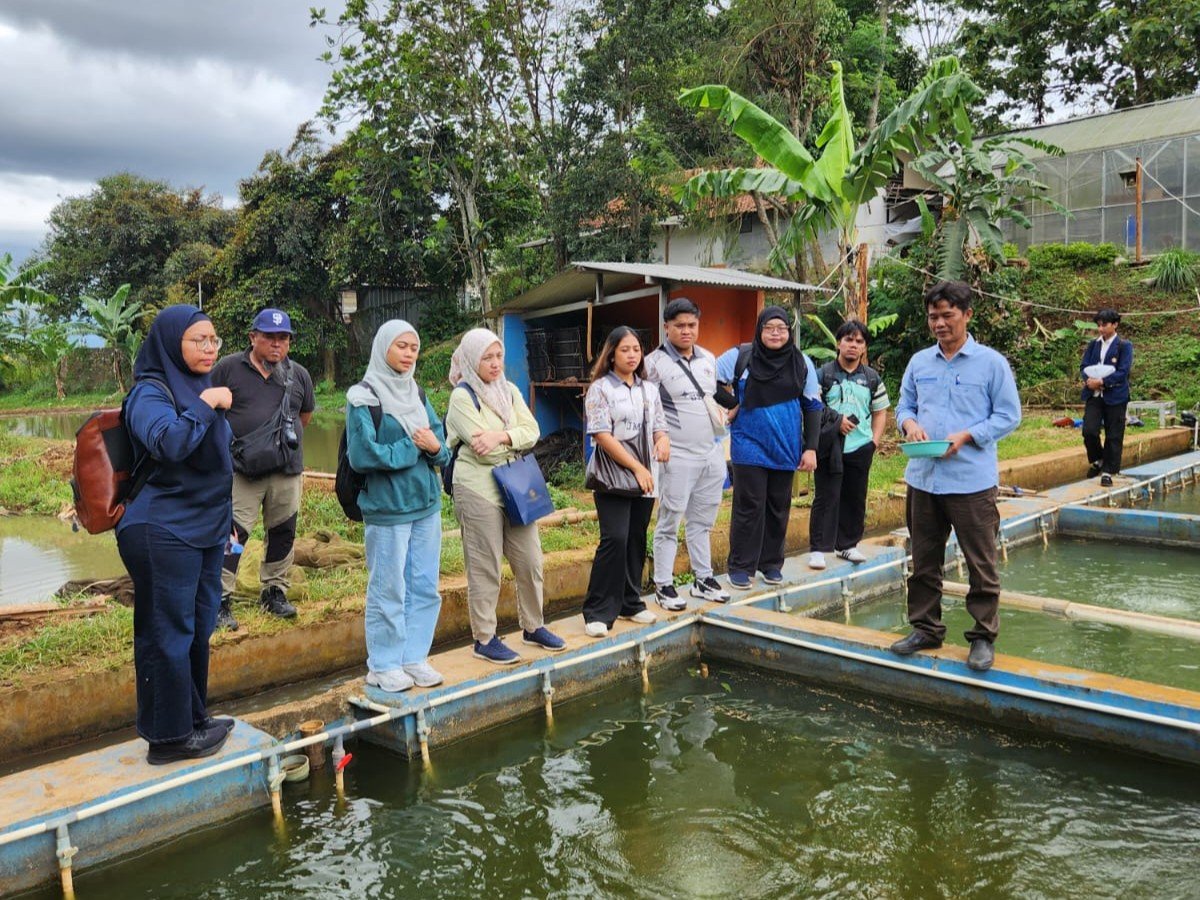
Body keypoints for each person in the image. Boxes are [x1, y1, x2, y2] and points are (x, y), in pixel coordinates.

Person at [117, 305, 235, 764]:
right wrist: (206, 408)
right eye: (198, 340)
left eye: (213, 340)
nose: (209, 348)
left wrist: (227, 526)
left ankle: (193, 719)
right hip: (161, 527)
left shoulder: (200, 386)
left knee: (198, 627)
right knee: (167, 632)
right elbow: (168, 442)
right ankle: (167, 740)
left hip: (203, 527)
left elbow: (215, 462)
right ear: (171, 343)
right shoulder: (150, 392)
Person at [890, 280, 1021, 673]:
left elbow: (1008, 415)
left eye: (948, 315)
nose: (940, 323)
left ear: (967, 315)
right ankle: (926, 628)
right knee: (923, 560)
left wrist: (967, 435)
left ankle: (982, 636)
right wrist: (910, 425)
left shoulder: (991, 363)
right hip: (924, 478)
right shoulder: (919, 362)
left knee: (981, 562)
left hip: (971, 482)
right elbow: (903, 406)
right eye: (934, 316)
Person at [445, 328, 565, 664]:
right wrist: (510, 439)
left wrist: (501, 437)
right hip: (477, 487)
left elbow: (533, 432)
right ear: (471, 359)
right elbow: (481, 449)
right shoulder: (462, 396)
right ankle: (484, 638)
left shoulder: (509, 391)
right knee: (485, 566)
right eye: (487, 357)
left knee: (530, 560)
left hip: (514, 483)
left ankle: (533, 625)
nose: (496, 363)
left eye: (498, 356)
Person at [346, 320, 451, 693]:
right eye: (401, 346)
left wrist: (435, 448)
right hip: (388, 508)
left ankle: (414, 657)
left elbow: (440, 442)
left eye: (414, 348)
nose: (409, 354)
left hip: (426, 505)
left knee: (424, 585)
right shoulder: (363, 397)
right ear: (383, 347)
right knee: (387, 587)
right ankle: (384, 664)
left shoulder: (417, 394)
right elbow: (362, 455)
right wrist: (415, 446)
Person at [210, 308, 315, 629]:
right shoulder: (228, 368)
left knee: (283, 532)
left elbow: (305, 417)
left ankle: (274, 592)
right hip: (243, 471)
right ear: (253, 337)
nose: (276, 343)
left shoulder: (298, 375)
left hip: (286, 470)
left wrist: (276, 447)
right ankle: (220, 599)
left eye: (283, 338)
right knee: (235, 534)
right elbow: (208, 409)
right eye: (269, 336)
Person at [716, 307, 822, 590]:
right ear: (759, 329)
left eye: (782, 328)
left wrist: (810, 448)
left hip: (786, 446)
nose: (776, 333)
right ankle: (740, 567)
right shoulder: (740, 356)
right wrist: (731, 405)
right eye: (769, 327)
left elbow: (813, 406)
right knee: (749, 505)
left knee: (778, 506)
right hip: (748, 443)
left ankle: (771, 564)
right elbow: (707, 381)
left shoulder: (802, 363)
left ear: (789, 332)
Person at [643, 297, 731, 609]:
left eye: (692, 325)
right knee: (670, 521)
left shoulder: (708, 358)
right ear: (666, 327)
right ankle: (663, 585)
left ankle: (703, 579)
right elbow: (647, 407)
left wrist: (725, 417)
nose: (686, 331)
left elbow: (712, 398)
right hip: (676, 455)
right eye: (679, 325)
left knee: (702, 522)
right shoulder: (652, 363)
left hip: (711, 452)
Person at [583, 326, 670, 637]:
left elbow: (659, 426)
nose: (632, 355)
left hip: (647, 477)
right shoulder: (600, 389)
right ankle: (597, 610)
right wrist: (636, 467)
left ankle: (630, 603)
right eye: (625, 350)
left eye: (636, 349)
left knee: (635, 538)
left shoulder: (649, 389)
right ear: (611, 354)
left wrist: (662, 441)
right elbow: (601, 435)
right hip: (614, 476)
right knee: (615, 539)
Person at [808, 320, 890, 570]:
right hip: (829, 446)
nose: (853, 345)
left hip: (860, 447)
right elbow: (812, 407)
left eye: (859, 341)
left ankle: (848, 545)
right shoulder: (823, 375)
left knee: (855, 497)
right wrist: (836, 421)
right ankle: (818, 549)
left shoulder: (872, 378)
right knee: (826, 496)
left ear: (864, 347)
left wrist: (873, 442)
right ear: (838, 343)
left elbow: (880, 411)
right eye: (848, 340)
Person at [1080, 308, 1133, 488]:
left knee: (1114, 434)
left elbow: (1123, 372)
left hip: (1115, 395)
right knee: (1089, 430)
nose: (1101, 329)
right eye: (1099, 325)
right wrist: (1089, 380)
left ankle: (1109, 471)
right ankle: (1098, 459)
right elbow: (1084, 366)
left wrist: (1102, 382)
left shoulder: (1124, 346)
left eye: (1105, 325)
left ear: (1115, 324)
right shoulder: (1093, 345)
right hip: (1094, 394)